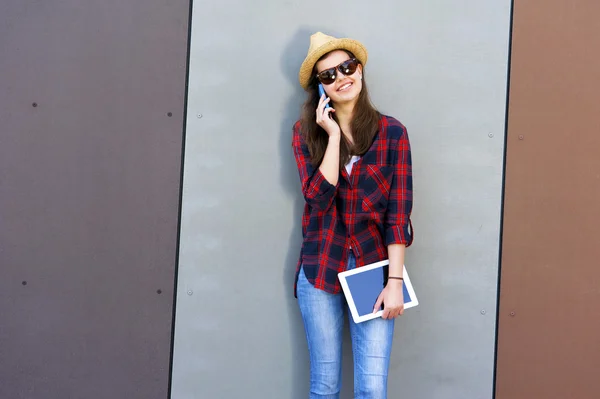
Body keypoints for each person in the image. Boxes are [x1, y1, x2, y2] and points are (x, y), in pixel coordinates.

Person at [291, 32, 414, 399]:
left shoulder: (393, 133)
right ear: (320, 88)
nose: (341, 78)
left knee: (372, 390)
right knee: (325, 387)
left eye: (346, 67)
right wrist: (331, 137)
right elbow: (317, 197)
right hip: (320, 268)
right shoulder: (305, 133)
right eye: (328, 75)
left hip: (373, 270)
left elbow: (398, 215)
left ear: (359, 70)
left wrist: (394, 281)